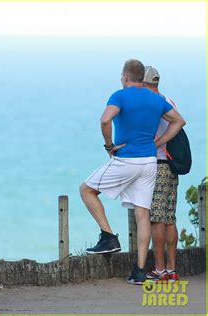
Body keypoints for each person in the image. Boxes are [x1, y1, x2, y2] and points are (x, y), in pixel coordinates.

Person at [79, 59, 186, 285]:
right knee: (143, 213)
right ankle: (139, 271)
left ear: (126, 77)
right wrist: (160, 142)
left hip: (127, 159)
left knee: (86, 190)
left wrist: (109, 146)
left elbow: (105, 119)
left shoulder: (120, 95)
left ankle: (108, 236)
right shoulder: (157, 99)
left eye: (121, 75)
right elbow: (179, 121)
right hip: (149, 163)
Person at [142, 66, 180, 282]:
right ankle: (172, 269)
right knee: (169, 218)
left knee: (156, 218)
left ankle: (159, 269)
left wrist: (157, 142)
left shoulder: (151, 105)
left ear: (145, 84)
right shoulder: (169, 102)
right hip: (171, 166)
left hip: (157, 164)